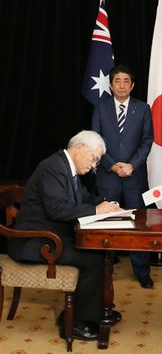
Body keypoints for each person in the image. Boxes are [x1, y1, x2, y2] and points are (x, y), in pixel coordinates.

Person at [8, 130, 122, 342]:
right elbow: (57, 209)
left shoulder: (66, 166)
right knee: (94, 259)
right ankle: (76, 323)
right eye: (94, 159)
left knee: (100, 251)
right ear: (80, 148)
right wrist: (98, 211)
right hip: (34, 241)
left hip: (50, 236)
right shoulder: (53, 167)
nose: (94, 165)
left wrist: (108, 205)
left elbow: (85, 197)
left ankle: (97, 312)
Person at [91, 64, 154, 289]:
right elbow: (95, 140)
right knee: (107, 224)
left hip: (134, 177)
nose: (121, 85)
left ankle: (142, 272)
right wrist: (112, 166)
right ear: (110, 84)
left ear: (132, 85)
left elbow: (147, 140)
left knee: (138, 224)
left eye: (126, 81)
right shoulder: (100, 108)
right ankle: (102, 270)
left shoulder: (143, 109)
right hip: (108, 177)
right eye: (117, 81)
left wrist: (131, 166)